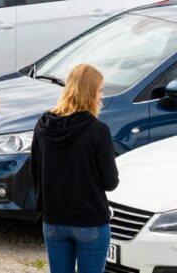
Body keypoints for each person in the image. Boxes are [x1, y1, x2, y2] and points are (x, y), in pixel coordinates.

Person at [30, 63, 118, 273]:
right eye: (100, 90)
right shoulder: (98, 130)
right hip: (89, 221)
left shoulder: (43, 125)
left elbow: (35, 172)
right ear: (90, 93)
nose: (101, 97)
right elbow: (110, 182)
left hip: (53, 221)